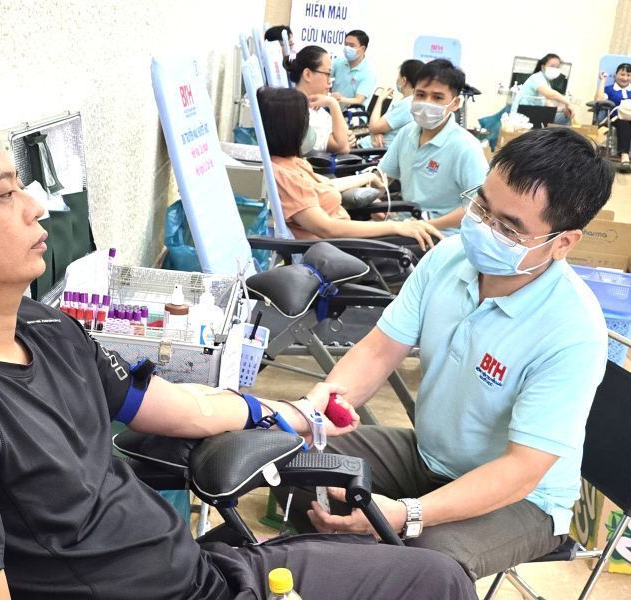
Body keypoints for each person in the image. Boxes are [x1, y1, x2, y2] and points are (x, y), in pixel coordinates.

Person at [0, 111, 477, 600]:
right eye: (2, 195)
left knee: (435, 578)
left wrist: (277, 413)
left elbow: (170, 406)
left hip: (208, 573)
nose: (36, 206)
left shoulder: (45, 326)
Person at [278, 127, 614, 582]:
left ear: (563, 242)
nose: (483, 228)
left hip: (522, 501)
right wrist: (321, 405)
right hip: (427, 455)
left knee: (422, 566)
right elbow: (379, 350)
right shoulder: (448, 260)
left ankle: (355, 569)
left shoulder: (572, 330)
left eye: (509, 227)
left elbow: (522, 470)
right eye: (481, 206)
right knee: (293, 464)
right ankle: (335, 569)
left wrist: (407, 514)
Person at [259, 87, 442, 251]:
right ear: (289, 129)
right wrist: (395, 227)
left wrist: (367, 178)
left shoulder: (292, 162)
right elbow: (327, 228)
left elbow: (327, 185)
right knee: (426, 246)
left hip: (344, 241)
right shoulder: (283, 175)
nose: (308, 130)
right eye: (305, 123)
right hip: (338, 251)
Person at [378, 59, 489, 235]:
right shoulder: (407, 132)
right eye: (420, 95)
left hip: (443, 233)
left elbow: (479, 207)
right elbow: (383, 177)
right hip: (405, 222)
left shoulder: (466, 147)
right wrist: (372, 202)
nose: (427, 103)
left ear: (454, 103)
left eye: (437, 97)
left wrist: (430, 225)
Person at [285, 45, 353, 154]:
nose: (330, 81)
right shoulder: (298, 113)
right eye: (327, 74)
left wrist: (348, 136)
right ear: (307, 74)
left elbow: (345, 137)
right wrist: (333, 103)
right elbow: (342, 146)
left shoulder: (315, 105)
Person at [359, 59, 424, 149]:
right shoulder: (412, 102)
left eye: (399, 76)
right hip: (373, 146)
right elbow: (379, 128)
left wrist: (380, 99)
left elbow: (373, 127)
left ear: (404, 80)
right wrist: (377, 132)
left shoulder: (407, 104)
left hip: (370, 151)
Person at [512, 53, 576, 125]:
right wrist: (568, 103)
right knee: (564, 119)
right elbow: (550, 94)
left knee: (565, 115)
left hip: (533, 114)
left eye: (557, 67)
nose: (555, 69)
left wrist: (563, 110)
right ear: (543, 67)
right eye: (552, 66)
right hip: (522, 116)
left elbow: (548, 107)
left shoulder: (546, 83)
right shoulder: (536, 78)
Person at [595, 62, 631, 171]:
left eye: (628, 75)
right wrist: (603, 80)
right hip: (616, 119)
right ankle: (624, 157)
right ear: (616, 75)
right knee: (624, 124)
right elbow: (599, 100)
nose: (625, 78)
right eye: (622, 74)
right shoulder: (610, 89)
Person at [330, 30, 377, 107]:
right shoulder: (338, 62)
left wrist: (339, 98)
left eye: (351, 45)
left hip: (354, 115)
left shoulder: (369, 73)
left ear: (363, 49)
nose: (347, 48)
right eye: (346, 44)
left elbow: (358, 100)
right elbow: (325, 76)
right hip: (333, 110)